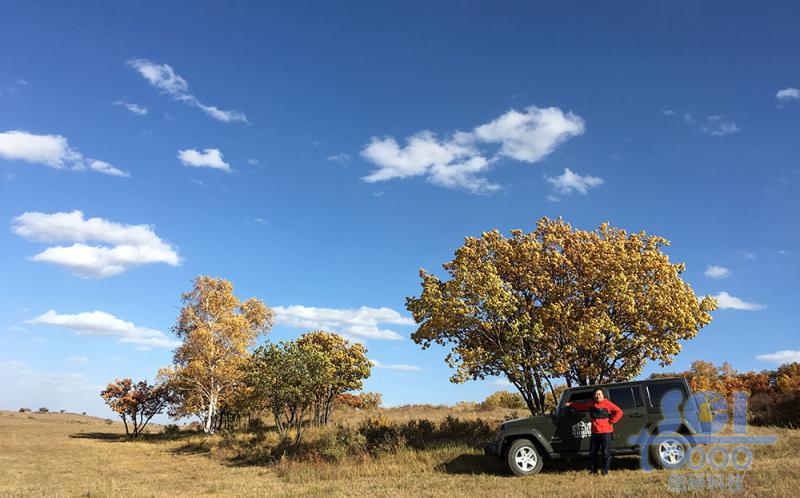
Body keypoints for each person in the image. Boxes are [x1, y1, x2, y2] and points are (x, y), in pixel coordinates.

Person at [565, 389, 623, 476]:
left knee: (606, 453)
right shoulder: (590, 404)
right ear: (594, 396)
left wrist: (612, 421)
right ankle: (593, 471)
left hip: (606, 432)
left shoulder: (607, 403)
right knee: (593, 453)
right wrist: (571, 404)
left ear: (603, 395)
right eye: (596, 394)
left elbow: (619, 412)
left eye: (599, 394)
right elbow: (581, 406)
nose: (598, 396)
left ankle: (605, 472)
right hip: (595, 432)